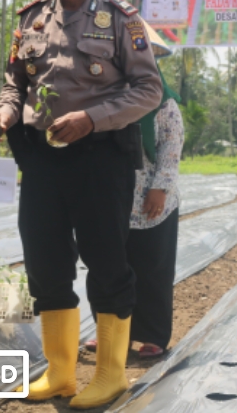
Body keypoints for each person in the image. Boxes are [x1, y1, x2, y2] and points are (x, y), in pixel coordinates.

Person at [0, 0, 162, 408]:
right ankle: (60, 374)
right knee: (45, 264)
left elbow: (149, 89)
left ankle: (110, 374)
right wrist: (3, 114)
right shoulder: (31, 19)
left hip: (100, 159)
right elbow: (15, 86)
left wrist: (92, 118)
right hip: (42, 161)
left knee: (106, 263)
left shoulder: (122, 20)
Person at [85, 21, 183, 358]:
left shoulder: (164, 104)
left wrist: (160, 189)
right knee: (106, 268)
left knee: (151, 268)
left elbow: (171, 149)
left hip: (150, 202)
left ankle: (151, 334)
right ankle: (109, 333)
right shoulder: (102, 99)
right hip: (108, 198)